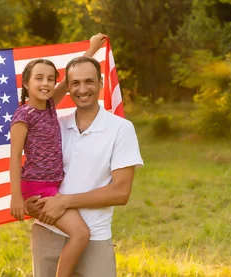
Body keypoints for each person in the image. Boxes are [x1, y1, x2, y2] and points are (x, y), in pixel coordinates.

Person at [25, 56, 144, 277]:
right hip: (48, 232)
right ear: (67, 88)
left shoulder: (121, 129)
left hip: (95, 237)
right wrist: (30, 205)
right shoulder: (55, 126)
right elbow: (33, 171)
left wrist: (65, 202)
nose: (83, 89)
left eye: (89, 81)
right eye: (75, 83)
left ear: (100, 82)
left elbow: (121, 192)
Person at [9, 34, 108, 277]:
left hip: (54, 185)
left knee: (79, 233)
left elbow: (71, 78)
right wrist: (16, 198)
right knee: (82, 233)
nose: (46, 83)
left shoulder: (50, 104)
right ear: (26, 83)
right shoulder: (24, 116)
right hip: (37, 187)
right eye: (39, 78)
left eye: (50, 79)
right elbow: (13, 159)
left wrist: (92, 48)